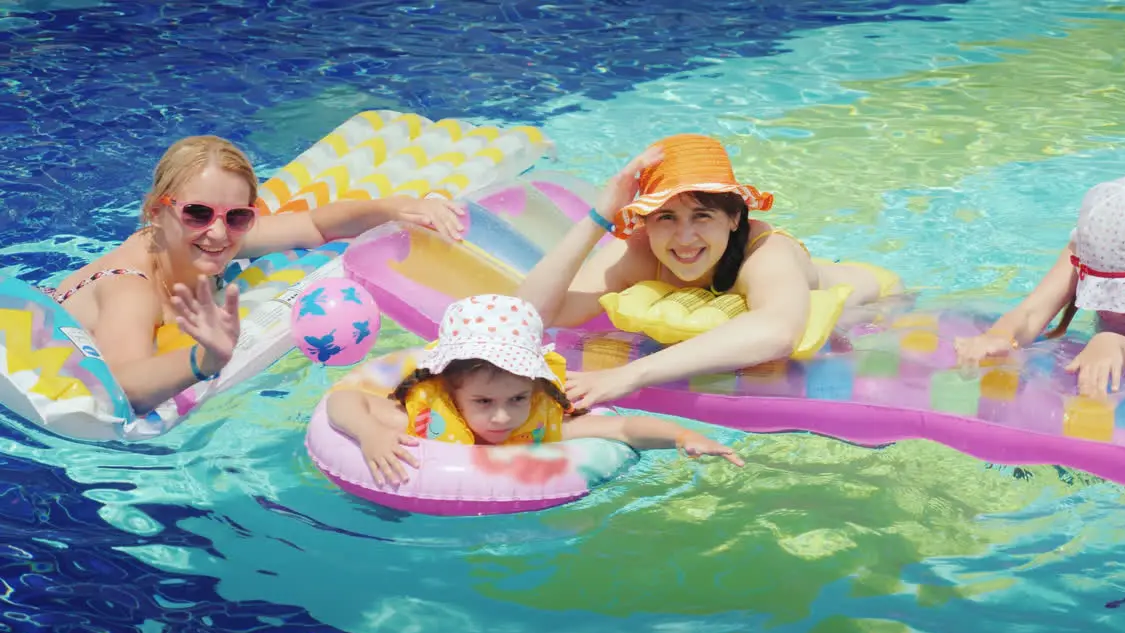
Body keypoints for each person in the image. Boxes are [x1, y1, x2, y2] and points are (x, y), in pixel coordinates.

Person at [42, 135, 464, 415]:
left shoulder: (220, 234)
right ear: (156, 210)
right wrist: (203, 360)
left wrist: (396, 208)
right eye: (197, 213)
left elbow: (315, 225)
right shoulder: (132, 290)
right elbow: (122, 386)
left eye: (238, 216)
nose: (219, 232)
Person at [515, 133, 905, 408]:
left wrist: (629, 374)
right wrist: (601, 215)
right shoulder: (636, 250)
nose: (684, 238)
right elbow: (526, 317)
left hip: (877, 299)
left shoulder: (766, 250)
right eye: (666, 216)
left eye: (702, 215)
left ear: (735, 218)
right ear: (647, 221)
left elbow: (778, 333)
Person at [326, 294, 744, 486]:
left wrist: (682, 436)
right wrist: (370, 434)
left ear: (534, 389)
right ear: (451, 391)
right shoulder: (421, 418)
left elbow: (623, 429)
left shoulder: (541, 421)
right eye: (483, 402)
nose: (504, 417)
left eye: (517, 399)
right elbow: (342, 400)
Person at [954, 176, 1125, 397]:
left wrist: (1112, 343)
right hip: (1107, 345)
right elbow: (1030, 313)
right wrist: (1000, 335)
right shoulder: (1089, 250)